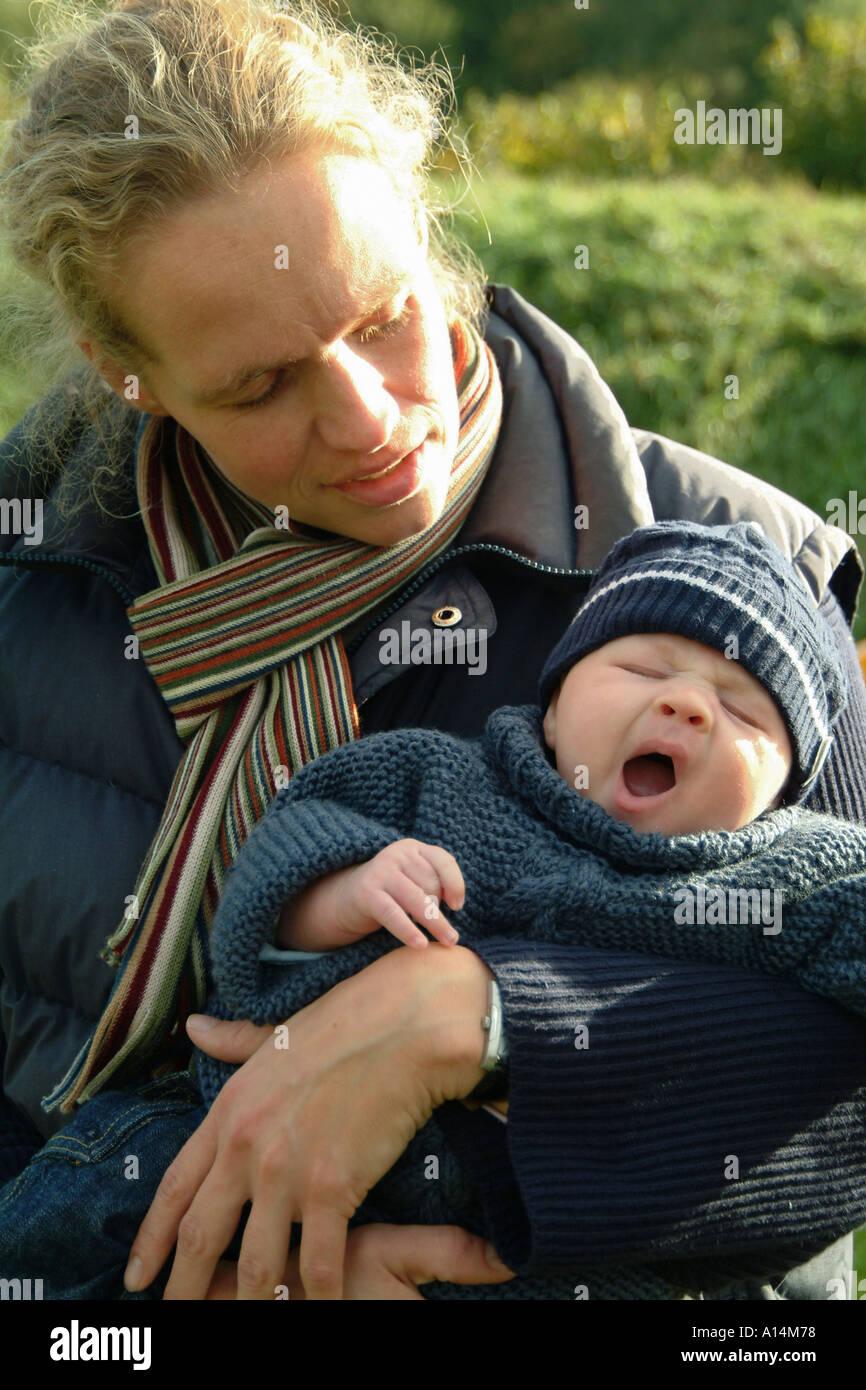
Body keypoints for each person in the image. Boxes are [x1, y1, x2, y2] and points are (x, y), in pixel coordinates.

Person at [1, 0, 865, 1303]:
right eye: (258, 387)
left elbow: (837, 1117)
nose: (366, 419)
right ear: (127, 370)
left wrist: (473, 1019)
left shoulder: (740, 584)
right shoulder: (26, 591)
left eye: (385, 314)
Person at [2, 519, 866, 1301]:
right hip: (250, 1144)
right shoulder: (446, 779)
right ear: (556, 706)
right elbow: (284, 860)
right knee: (77, 1226)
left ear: (791, 792)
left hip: (523, 1246)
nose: (686, 703)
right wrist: (344, 892)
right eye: (641, 667)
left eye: (745, 708)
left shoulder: (785, 876)